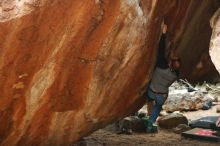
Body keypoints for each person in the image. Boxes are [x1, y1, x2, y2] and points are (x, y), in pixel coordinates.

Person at [146, 24, 181, 133]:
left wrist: (163, 33)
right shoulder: (176, 75)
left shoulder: (162, 65)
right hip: (162, 95)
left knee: (149, 96)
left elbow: (160, 50)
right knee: (158, 106)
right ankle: (150, 122)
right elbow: (174, 66)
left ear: (170, 63)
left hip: (152, 92)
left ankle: (148, 115)